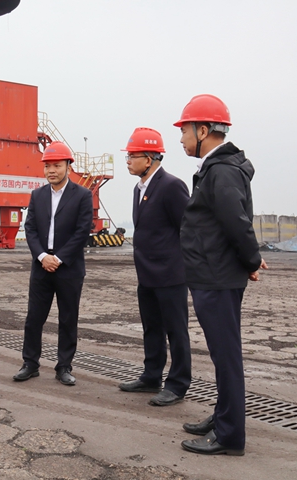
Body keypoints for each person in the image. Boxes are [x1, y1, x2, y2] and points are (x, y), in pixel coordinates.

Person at [174, 95, 267, 456]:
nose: (181, 139)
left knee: (226, 357)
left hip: (216, 277)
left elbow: (236, 222)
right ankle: (223, 416)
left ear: (203, 130)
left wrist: (251, 260)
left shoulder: (222, 171)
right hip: (211, 274)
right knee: (221, 355)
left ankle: (229, 436)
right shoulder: (216, 169)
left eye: (184, 131)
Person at [119, 127, 191, 406]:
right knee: (151, 328)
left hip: (170, 275)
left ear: (149, 159)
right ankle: (151, 376)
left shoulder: (171, 186)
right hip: (146, 274)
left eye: (132, 156)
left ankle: (178, 384)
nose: (128, 161)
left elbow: (187, 228)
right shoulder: (139, 189)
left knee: (176, 331)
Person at [13, 141, 93, 386]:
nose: (51, 170)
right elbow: (30, 228)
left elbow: (82, 232)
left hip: (68, 267)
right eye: (47, 166)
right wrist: (42, 257)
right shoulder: (37, 195)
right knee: (34, 318)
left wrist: (58, 258)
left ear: (68, 166)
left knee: (68, 319)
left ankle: (64, 366)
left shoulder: (83, 195)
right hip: (41, 266)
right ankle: (30, 364)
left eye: (57, 165)